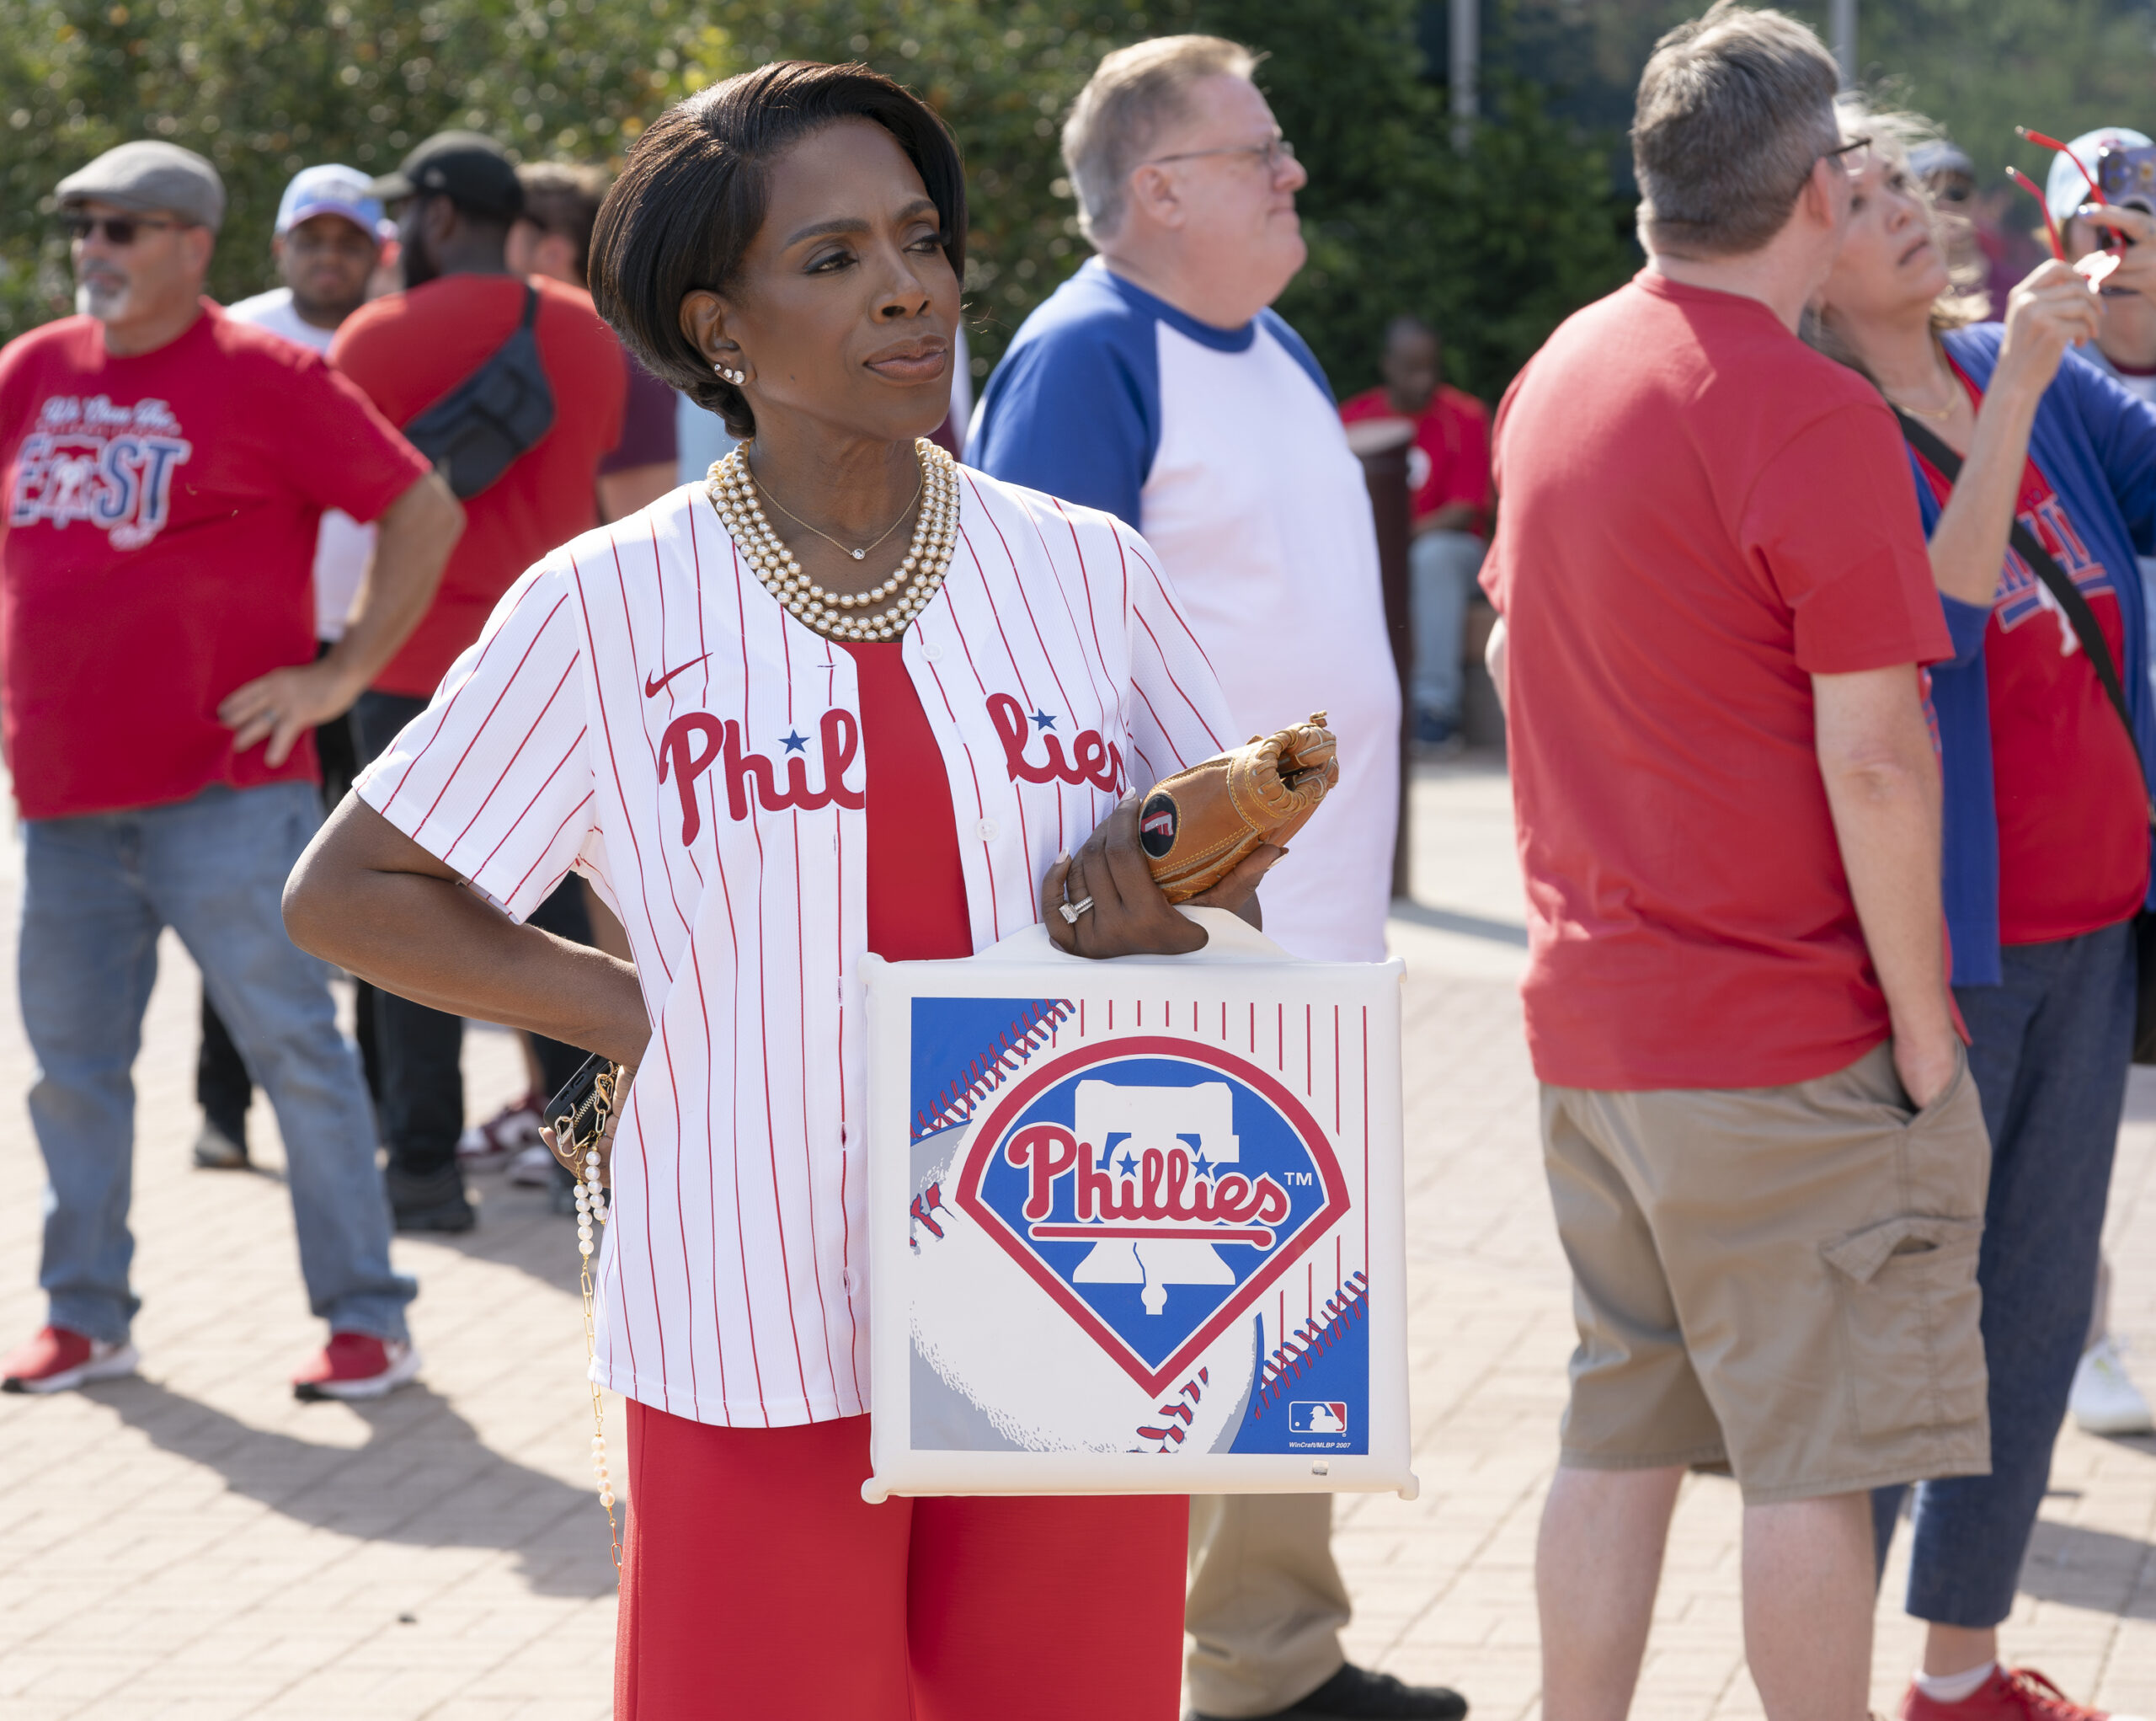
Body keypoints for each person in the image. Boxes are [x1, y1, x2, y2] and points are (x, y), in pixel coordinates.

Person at [282, 60, 1272, 1716]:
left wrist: (1162, 901)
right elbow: (354, 887)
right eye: (830, 258)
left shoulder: (1082, 573)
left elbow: (1227, 860)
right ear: (715, 325)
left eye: (921, 239)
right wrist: (625, 1009)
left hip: (1069, 1277)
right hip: (749, 1299)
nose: (908, 286)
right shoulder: (610, 606)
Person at [1481, 9, 1987, 1718]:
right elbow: (1872, 750)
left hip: (1593, 1019)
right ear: (1822, 191)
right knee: (1810, 1458)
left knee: (1611, 1423)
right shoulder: (1805, 411)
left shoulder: (1559, 368)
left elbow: (1503, 657)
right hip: (1773, 1034)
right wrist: (1921, 1031)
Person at [970, 36, 1445, 1721]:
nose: (1292, 172)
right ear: (1158, 188)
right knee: (1155, 1318)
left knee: (1284, 1301)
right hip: (1173, 947)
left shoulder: (1274, 346)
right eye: (1262, 149)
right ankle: (1137, 1671)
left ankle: (1270, 1660)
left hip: (1302, 939)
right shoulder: (1087, 357)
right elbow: (1018, 671)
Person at [0, 140, 463, 1398]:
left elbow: (423, 509)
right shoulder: (33, 370)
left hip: (228, 791)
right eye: (84, 225)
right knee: (69, 1073)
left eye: (124, 227)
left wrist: (340, 676)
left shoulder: (268, 375)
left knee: (298, 1055)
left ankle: (369, 1318)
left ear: (193, 245)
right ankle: (85, 1314)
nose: (95, 248)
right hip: (62, 803)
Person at [1810, 108, 2156, 1721]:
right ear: (1807, 245)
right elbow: (1939, 610)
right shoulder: (1823, 416)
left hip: (2091, 930)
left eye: (1918, 188)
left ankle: (1958, 1676)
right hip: (1953, 950)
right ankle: (1811, 1670)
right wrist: (2015, 378)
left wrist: (2141, 310)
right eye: (1870, 196)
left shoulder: (2023, 365)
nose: (1918, 213)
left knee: (2028, 1320)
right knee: (1899, 1342)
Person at [329, 131, 627, 1233]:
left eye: (407, 211)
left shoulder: (372, 337)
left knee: (400, 926)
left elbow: (355, 513)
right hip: (545, 672)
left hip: (408, 666)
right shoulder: (595, 336)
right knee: (551, 916)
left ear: (442, 215)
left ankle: (420, 1170)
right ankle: (583, 1156)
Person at [186, 163, 394, 1173]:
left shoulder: (398, 338)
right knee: (243, 880)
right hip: (260, 651)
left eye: (348, 240)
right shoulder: (238, 338)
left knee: (374, 889)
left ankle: (375, 1110)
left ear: (376, 253)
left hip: (370, 650)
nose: (328, 256)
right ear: (280, 247)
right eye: (311, 237)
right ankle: (221, 1107)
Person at [2040, 129, 2156, 1445]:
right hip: (2082, 810)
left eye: (2133, 226)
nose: (2110, 255)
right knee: (2067, 1108)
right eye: (2090, 231)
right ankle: (2083, 1330)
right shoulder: (2033, 388)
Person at [1340, 317, 1490, 753]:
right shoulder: (1353, 419)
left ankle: (1435, 708)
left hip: (1455, 554)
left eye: (1429, 367)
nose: (1422, 379)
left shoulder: (1465, 416)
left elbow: (1464, 510)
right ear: (1388, 365)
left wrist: (1395, 541)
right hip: (1377, 552)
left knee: (1433, 556)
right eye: (1411, 368)